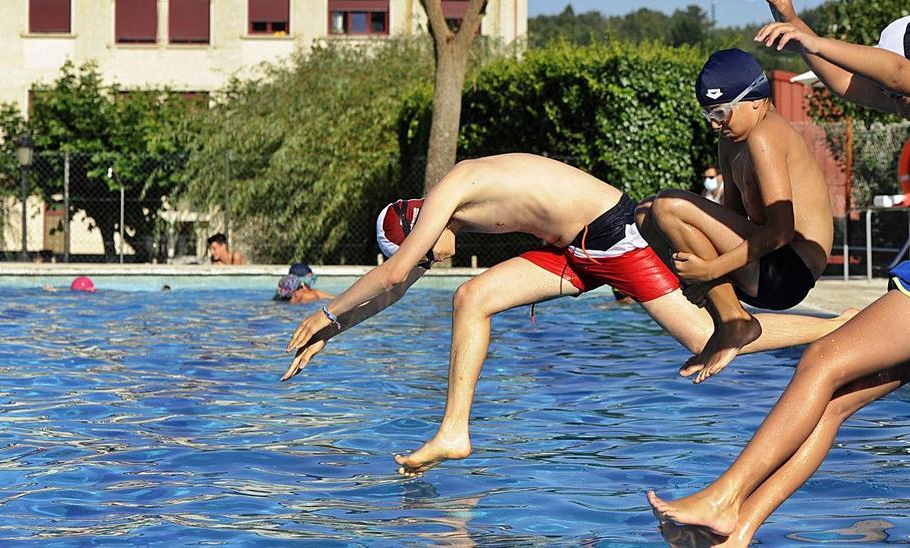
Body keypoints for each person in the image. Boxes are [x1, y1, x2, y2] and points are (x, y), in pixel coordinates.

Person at [647, 5, 910, 543]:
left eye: (900, 84)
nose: (895, 99)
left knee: (821, 360)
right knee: (827, 403)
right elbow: (857, 85)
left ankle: (724, 495)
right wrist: (796, 26)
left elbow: (893, 75)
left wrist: (824, 39)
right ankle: (738, 530)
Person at [283, 153, 853, 477]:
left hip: (606, 234)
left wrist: (326, 314)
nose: (427, 263)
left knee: (707, 337)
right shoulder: (446, 210)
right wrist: (336, 332)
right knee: (472, 297)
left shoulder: (447, 193)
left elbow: (389, 276)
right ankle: (454, 432)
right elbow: (394, 289)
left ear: (416, 229)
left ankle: (840, 329)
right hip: (573, 248)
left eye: (423, 256)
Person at [639, 49, 837, 383]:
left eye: (721, 112)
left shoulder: (765, 136)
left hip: (789, 271)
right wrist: (698, 279)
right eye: (709, 114)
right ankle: (725, 317)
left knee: (667, 205)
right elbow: (729, 218)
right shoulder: (731, 142)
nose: (716, 123)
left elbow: (780, 233)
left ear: (757, 101)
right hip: (761, 264)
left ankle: (736, 323)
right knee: (645, 213)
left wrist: (710, 269)